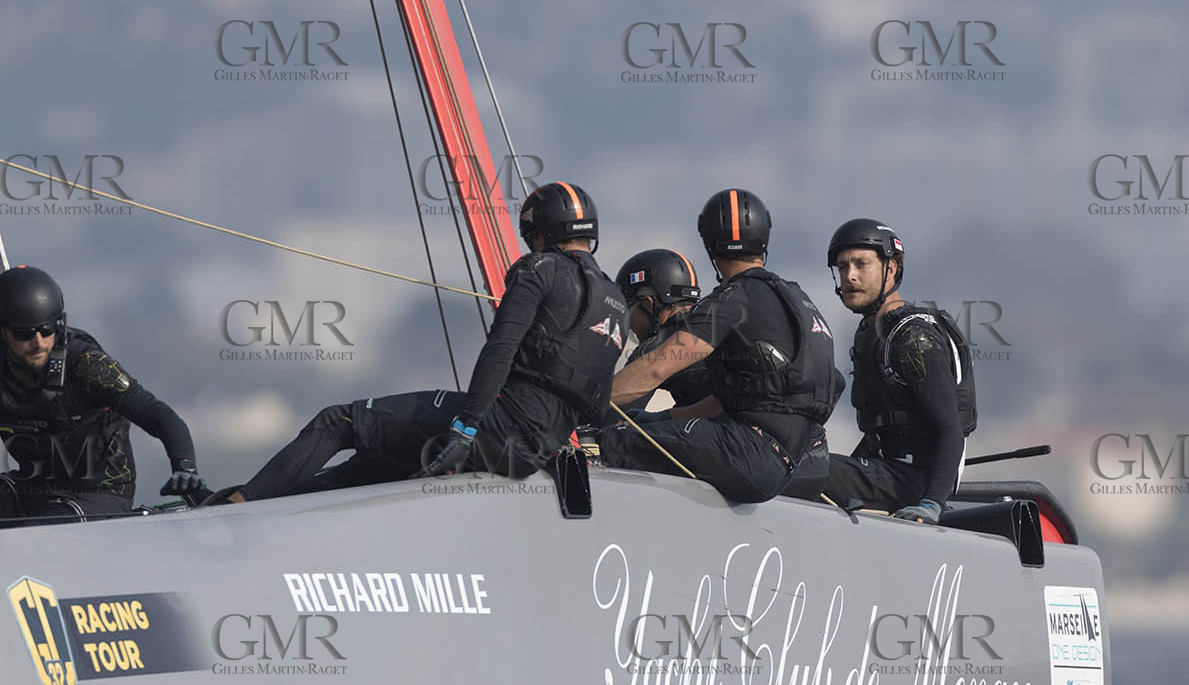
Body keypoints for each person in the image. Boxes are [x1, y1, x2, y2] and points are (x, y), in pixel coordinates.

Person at [211, 181, 628, 503]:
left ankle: (238, 506)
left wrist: (466, 427)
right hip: (534, 453)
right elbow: (597, 396)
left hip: (495, 431)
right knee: (370, 464)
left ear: (539, 232)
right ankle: (282, 504)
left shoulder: (538, 268)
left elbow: (499, 349)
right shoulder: (616, 302)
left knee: (337, 421)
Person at [0, 265, 206, 566]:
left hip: (97, 493)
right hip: (31, 487)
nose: (39, 341)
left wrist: (184, 465)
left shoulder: (88, 366)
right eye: (24, 333)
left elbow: (158, 415)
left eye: (48, 329)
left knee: (22, 546)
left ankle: (6, 560)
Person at [594, 188, 843, 503]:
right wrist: (662, 420)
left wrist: (581, 407)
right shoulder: (798, 298)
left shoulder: (733, 298)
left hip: (753, 454)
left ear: (710, 244)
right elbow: (726, 403)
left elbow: (656, 368)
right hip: (806, 465)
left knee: (615, 441)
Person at [820, 219, 977, 524]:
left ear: (890, 269)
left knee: (793, 469)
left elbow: (950, 429)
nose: (849, 275)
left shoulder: (912, 338)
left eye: (861, 264)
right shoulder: (869, 331)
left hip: (913, 481)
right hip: (882, 470)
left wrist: (931, 504)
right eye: (842, 267)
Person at [611, 248, 706, 419]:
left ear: (648, 305)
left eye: (629, 311)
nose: (630, 326)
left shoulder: (658, 346)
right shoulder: (714, 326)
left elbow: (613, 416)